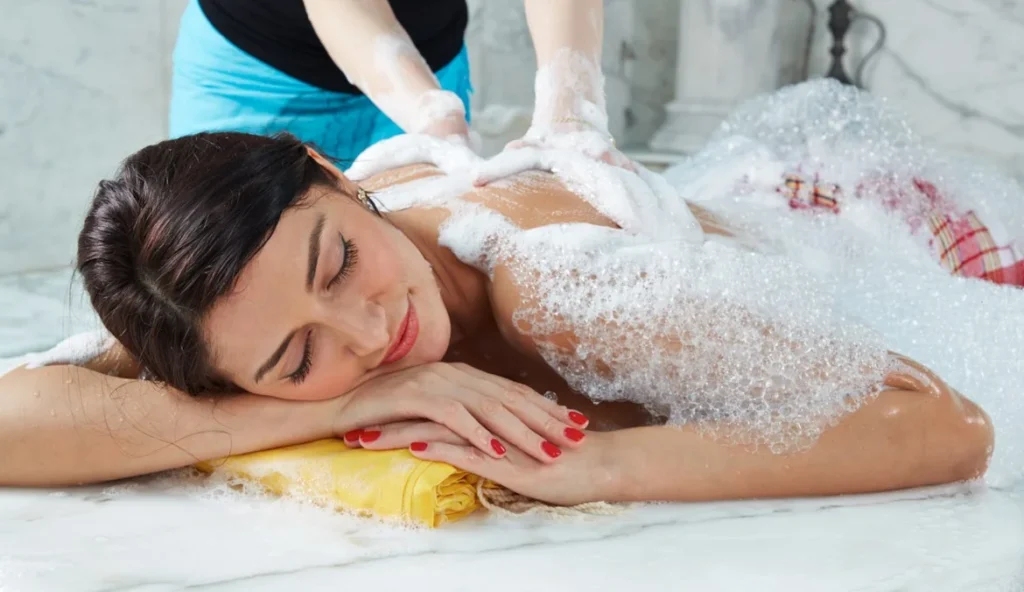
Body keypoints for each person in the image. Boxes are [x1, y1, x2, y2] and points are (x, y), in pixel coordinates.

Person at [0, 83, 1001, 507]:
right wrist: (355, 401)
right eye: (292, 359)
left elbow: (946, 424)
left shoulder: (555, 285)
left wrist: (593, 464)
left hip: (876, 224)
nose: (369, 330)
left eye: (340, 262)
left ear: (329, 168)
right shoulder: (225, 302)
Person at [170, 0, 632, 169]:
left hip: (434, 59)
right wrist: (434, 115)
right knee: (225, 275)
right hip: (257, 74)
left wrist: (571, 111)